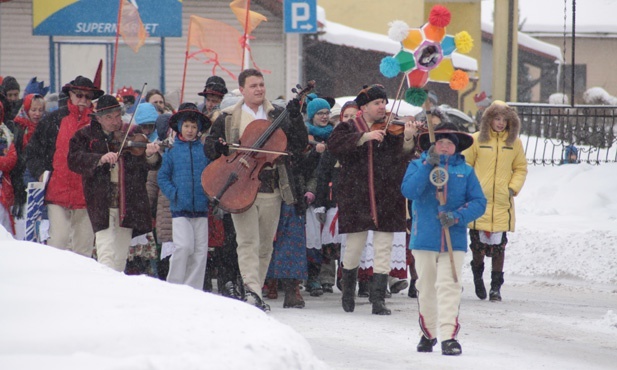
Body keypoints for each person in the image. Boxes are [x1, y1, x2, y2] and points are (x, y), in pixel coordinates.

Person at [204, 68, 308, 311]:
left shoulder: (277, 114)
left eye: (261, 84)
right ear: (242, 89)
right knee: (247, 242)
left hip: (270, 187)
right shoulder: (228, 117)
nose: (259, 89)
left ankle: (256, 291)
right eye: (253, 86)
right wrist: (219, 148)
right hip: (239, 186)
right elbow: (210, 149)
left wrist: (296, 118)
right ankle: (252, 291)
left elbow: (300, 144)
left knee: (265, 245)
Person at [327, 84, 417, 315]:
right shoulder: (348, 127)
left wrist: (407, 137)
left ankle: (378, 300)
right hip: (356, 194)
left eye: (384, 103)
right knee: (354, 247)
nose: (382, 107)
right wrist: (365, 137)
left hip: (387, 194)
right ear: (364, 107)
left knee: (384, 248)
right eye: (377, 103)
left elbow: (404, 154)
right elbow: (335, 146)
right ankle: (348, 293)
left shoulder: (391, 127)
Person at [401, 122, 486, 356]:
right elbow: (409, 191)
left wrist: (457, 216)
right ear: (433, 144)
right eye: (440, 142)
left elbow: (479, 202)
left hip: (453, 239)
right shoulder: (418, 165)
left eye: (450, 143)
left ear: (457, 148)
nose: (445, 147)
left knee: (449, 287)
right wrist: (428, 165)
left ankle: (449, 337)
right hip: (424, 237)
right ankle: (428, 334)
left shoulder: (466, 171)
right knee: (426, 287)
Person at [68, 95, 161, 271]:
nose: (115, 121)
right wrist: (99, 159)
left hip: (127, 201)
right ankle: (105, 291)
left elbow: (150, 164)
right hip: (101, 200)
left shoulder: (132, 133)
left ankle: (115, 292)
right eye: (109, 117)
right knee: (105, 252)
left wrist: (150, 154)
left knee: (120, 256)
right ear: (98, 118)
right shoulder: (85, 135)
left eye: (117, 115)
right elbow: (73, 159)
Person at [27, 75, 103, 258]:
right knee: (58, 243)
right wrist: (40, 174)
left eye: (88, 97)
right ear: (70, 94)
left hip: (87, 195)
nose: (83, 100)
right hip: (57, 191)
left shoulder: (98, 124)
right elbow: (32, 151)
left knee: (83, 250)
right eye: (79, 95)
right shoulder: (54, 119)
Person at [462, 101, 528, 302]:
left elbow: (520, 168)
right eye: (497, 118)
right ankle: (477, 276)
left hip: (501, 202)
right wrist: (471, 189)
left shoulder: (514, 143)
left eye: (504, 120)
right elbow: (466, 165)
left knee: (499, 248)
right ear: (488, 119)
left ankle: (496, 287)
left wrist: (512, 188)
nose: (500, 123)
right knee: (478, 247)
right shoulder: (475, 140)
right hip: (478, 202)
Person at [158, 103, 211, 289]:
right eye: (187, 126)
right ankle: (174, 285)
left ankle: (193, 288)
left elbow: (211, 176)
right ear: (180, 127)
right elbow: (162, 177)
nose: (190, 130)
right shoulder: (172, 152)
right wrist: (175, 194)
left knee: (200, 252)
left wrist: (209, 196)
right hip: (180, 208)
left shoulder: (204, 151)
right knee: (183, 247)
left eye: (194, 127)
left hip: (202, 209)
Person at [8, 94, 46, 240]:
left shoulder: (45, 128)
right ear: (26, 109)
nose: (37, 114)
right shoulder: (17, 128)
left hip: (37, 174)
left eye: (40, 110)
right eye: (33, 110)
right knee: (22, 217)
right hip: (20, 177)